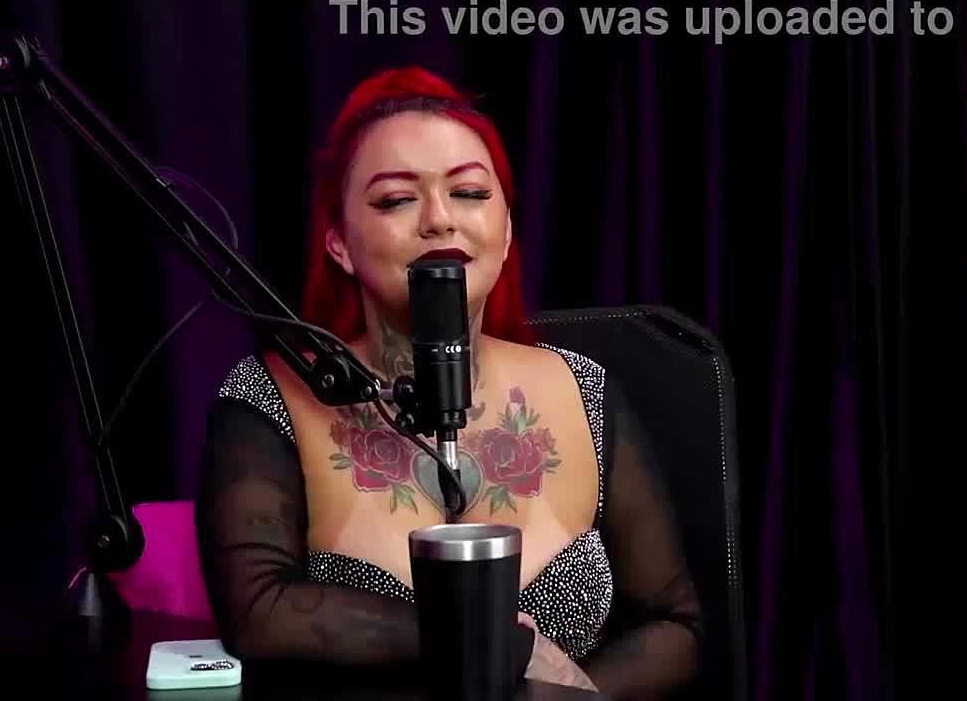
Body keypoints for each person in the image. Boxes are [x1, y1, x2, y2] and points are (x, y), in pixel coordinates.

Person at [194, 66, 704, 698]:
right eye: (395, 200)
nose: (439, 219)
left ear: (507, 229)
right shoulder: (272, 395)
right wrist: (500, 645)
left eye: (468, 192)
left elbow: (676, 626)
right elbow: (259, 613)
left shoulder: (583, 389)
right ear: (339, 243)